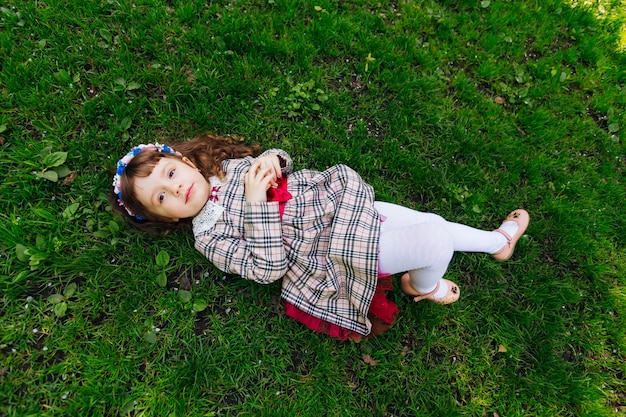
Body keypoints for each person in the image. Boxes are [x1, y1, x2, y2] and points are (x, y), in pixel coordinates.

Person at [111, 134, 529, 341]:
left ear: (183, 160)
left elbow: (279, 162)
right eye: (161, 198)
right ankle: (425, 285)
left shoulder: (224, 168)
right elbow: (267, 270)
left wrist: (274, 160)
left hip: (335, 207)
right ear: (162, 217)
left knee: (427, 219)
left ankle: (498, 242)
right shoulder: (210, 238)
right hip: (327, 254)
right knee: (434, 239)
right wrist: (257, 202)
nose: (175, 188)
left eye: (170, 174)